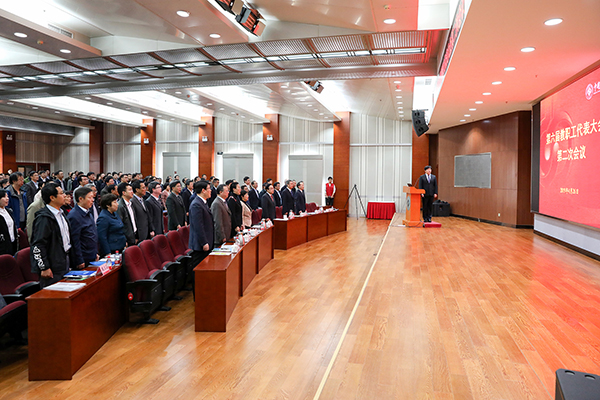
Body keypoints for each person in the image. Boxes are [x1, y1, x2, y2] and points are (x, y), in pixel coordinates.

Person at [30, 183, 74, 288]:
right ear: (52, 198)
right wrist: (44, 267)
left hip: (64, 259)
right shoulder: (44, 218)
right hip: (53, 264)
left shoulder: (61, 213)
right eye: (61, 193)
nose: (65, 195)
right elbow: (38, 244)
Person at [67, 186, 98, 268]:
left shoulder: (88, 212)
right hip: (83, 258)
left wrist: (95, 253)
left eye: (93, 197)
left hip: (92, 254)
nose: (93, 200)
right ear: (80, 199)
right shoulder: (74, 216)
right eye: (90, 198)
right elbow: (75, 241)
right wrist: (79, 260)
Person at [188, 181, 214, 269]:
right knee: (199, 268)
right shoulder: (196, 204)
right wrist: (204, 242)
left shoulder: (203, 202)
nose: (210, 190)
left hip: (207, 240)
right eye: (209, 188)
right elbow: (198, 226)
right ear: (203, 190)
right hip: (200, 244)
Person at [0, 188, 18, 256]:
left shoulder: (9, 211)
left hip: (12, 243)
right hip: (2, 246)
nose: (7, 198)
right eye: (4, 197)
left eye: (7, 196)